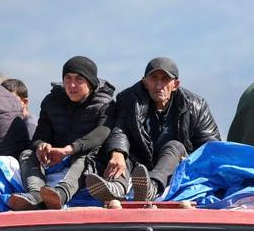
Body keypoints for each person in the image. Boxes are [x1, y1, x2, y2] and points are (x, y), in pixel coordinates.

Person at [85, 57, 221, 202]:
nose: (158, 85)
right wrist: (117, 152)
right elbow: (120, 129)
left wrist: (190, 163)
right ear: (145, 82)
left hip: (177, 165)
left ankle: (152, 188)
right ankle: (116, 188)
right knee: (125, 153)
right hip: (140, 167)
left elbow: (211, 147)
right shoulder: (129, 99)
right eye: (154, 78)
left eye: (165, 79)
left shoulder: (196, 106)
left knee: (175, 146)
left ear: (175, 84)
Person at [8, 56, 115, 210]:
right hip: (56, 159)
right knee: (27, 154)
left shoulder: (106, 104)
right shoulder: (51, 102)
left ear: (91, 82)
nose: (72, 85)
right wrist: (42, 146)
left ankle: (60, 195)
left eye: (79, 79)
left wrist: (69, 150)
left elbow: (101, 133)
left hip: (88, 158)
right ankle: (36, 194)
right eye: (68, 78)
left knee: (83, 158)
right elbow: (39, 137)